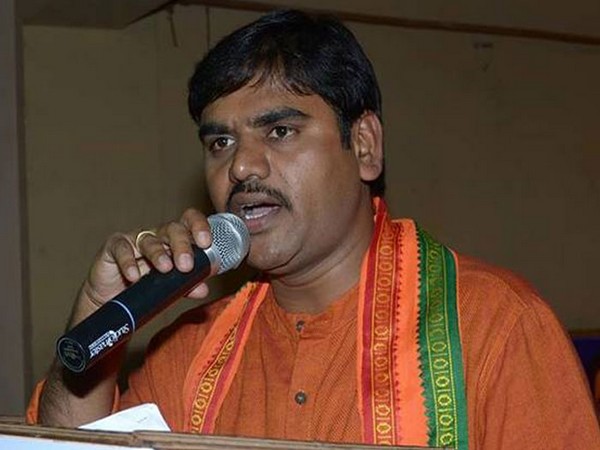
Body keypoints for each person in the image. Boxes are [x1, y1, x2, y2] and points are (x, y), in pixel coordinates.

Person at [27, 9, 599, 450]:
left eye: (279, 131)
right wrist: (98, 319)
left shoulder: (495, 326)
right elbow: (68, 446)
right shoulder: (193, 350)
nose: (241, 166)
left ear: (364, 146)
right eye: (220, 141)